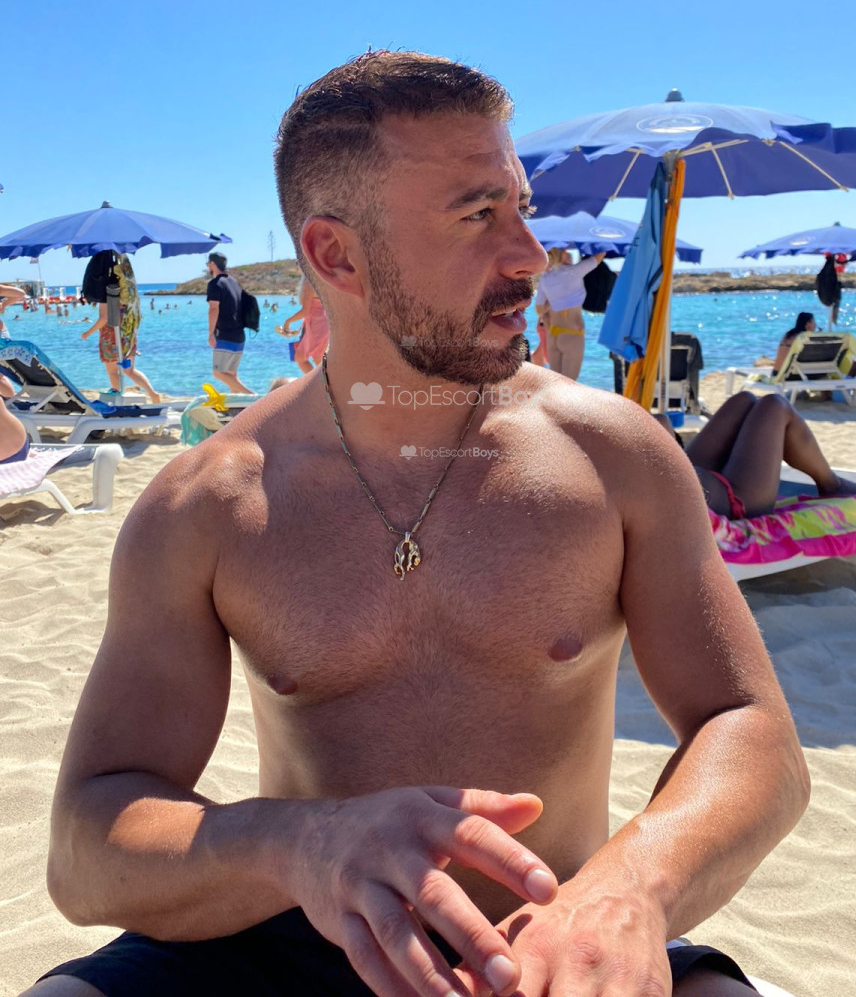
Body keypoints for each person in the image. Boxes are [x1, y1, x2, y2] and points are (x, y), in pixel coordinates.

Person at [27, 51, 809, 997]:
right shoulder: (208, 506)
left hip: (561, 931)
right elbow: (87, 850)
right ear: (336, 256)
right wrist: (302, 844)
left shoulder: (612, 456)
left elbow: (752, 731)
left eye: (522, 207)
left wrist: (632, 885)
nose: (530, 255)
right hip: (293, 933)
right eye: (478, 215)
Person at [660, 390, 856, 520]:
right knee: (775, 405)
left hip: (691, 478)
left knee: (744, 400)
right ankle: (831, 484)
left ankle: (830, 481)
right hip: (733, 502)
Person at [80, 254, 161, 403]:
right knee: (129, 370)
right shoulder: (125, 291)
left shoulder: (107, 291)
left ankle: (117, 396)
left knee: (112, 371)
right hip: (128, 333)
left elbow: (104, 318)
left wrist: (87, 333)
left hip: (111, 336)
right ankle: (152, 393)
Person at [533, 247, 606, 380]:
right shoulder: (574, 272)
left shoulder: (545, 279)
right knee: (569, 385)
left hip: (553, 335)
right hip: (571, 334)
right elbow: (599, 256)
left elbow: (539, 310)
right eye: (566, 252)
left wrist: (554, 302)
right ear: (561, 255)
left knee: (557, 383)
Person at [206, 252, 254, 395]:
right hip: (239, 335)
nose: (208, 266)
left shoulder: (215, 284)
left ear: (213, 264)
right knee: (231, 376)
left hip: (225, 334)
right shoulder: (234, 282)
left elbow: (213, 309)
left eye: (208, 263)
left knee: (218, 372)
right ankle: (239, 404)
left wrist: (210, 334)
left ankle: (252, 396)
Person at [274, 278, 330, 373]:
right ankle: (324, 380)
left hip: (316, 323)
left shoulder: (309, 282)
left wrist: (288, 322)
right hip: (324, 322)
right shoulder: (321, 279)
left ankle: (319, 381)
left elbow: (305, 311)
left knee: (301, 357)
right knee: (318, 358)